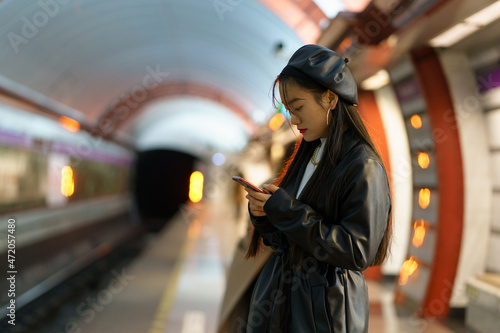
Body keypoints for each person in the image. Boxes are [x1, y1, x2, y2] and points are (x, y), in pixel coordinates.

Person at [243, 44, 392, 332]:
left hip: (324, 311)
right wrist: (265, 215)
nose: (293, 120)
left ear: (330, 98)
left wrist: (288, 211)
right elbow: (293, 240)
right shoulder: (311, 153)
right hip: (288, 303)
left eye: (298, 108)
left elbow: (357, 250)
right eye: (289, 110)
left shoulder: (363, 165)